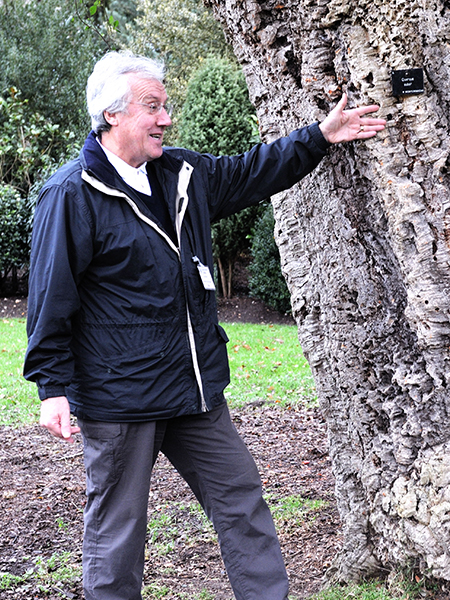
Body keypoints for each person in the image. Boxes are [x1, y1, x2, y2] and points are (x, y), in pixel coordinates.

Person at [23, 50, 386, 600]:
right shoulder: (71, 193)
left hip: (194, 390)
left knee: (242, 499)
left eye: (166, 106)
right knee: (119, 534)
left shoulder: (181, 173)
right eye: (153, 107)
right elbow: (51, 296)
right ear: (112, 115)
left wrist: (320, 136)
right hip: (120, 398)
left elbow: (251, 171)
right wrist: (51, 388)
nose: (166, 118)